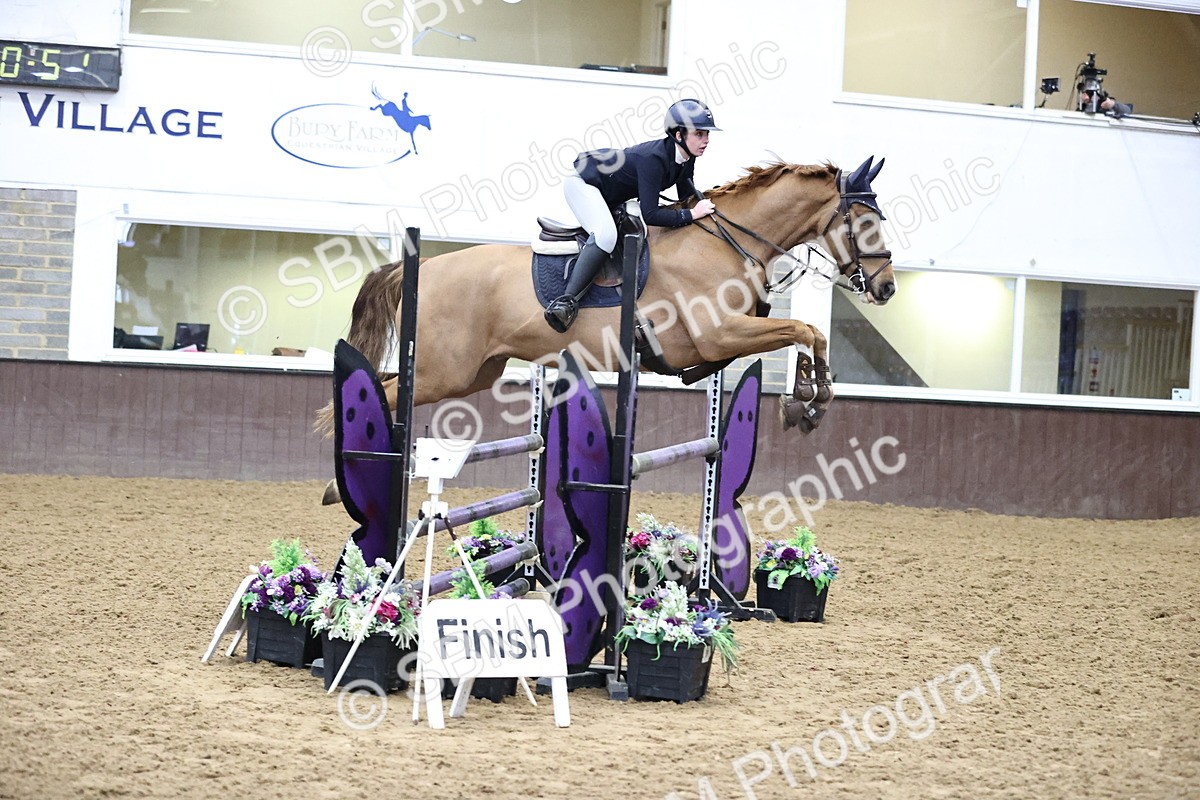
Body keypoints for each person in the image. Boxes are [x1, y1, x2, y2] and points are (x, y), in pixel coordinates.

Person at [543, 98, 720, 333]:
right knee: (606, 235)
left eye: (707, 134)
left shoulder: (686, 159)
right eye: (699, 134)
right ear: (678, 136)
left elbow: (687, 199)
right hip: (584, 184)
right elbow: (651, 214)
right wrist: (692, 214)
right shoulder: (653, 159)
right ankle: (565, 302)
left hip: (612, 194)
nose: (706, 140)